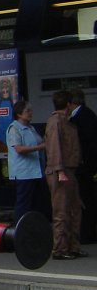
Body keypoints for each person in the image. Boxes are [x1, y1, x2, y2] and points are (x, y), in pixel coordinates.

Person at [46, 90, 84, 259]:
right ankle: (60, 249)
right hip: (60, 170)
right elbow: (54, 147)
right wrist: (60, 170)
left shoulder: (65, 122)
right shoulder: (56, 122)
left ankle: (73, 246)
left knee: (74, 209)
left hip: (69, 170)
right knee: (61, 211)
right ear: (68, 104)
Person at [6, 101, 46, 222]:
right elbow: (18, 148)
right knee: (24, 203)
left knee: (36, 203)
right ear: (19, 114)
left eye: (30, 110)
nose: (30, 113)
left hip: (36, 170)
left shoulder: (31, 127)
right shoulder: (14, 128)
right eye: (27, 111)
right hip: (24, 172)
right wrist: (41, 147)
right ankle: (20, 229)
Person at [69, 89, 96, 243]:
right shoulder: (88, 114)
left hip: (84, 164)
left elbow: (85, 141)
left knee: (84, 199)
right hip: (88, 164)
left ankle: (86, 233)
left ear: (72, 103)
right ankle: (88, 231)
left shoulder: (80, 118)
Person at [0, 77, 17, 153]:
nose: (5, 91)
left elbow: (14, 96)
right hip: (2, 125)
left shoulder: (12, 100)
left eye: (6, 91)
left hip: (10, 122)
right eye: (3, 91)